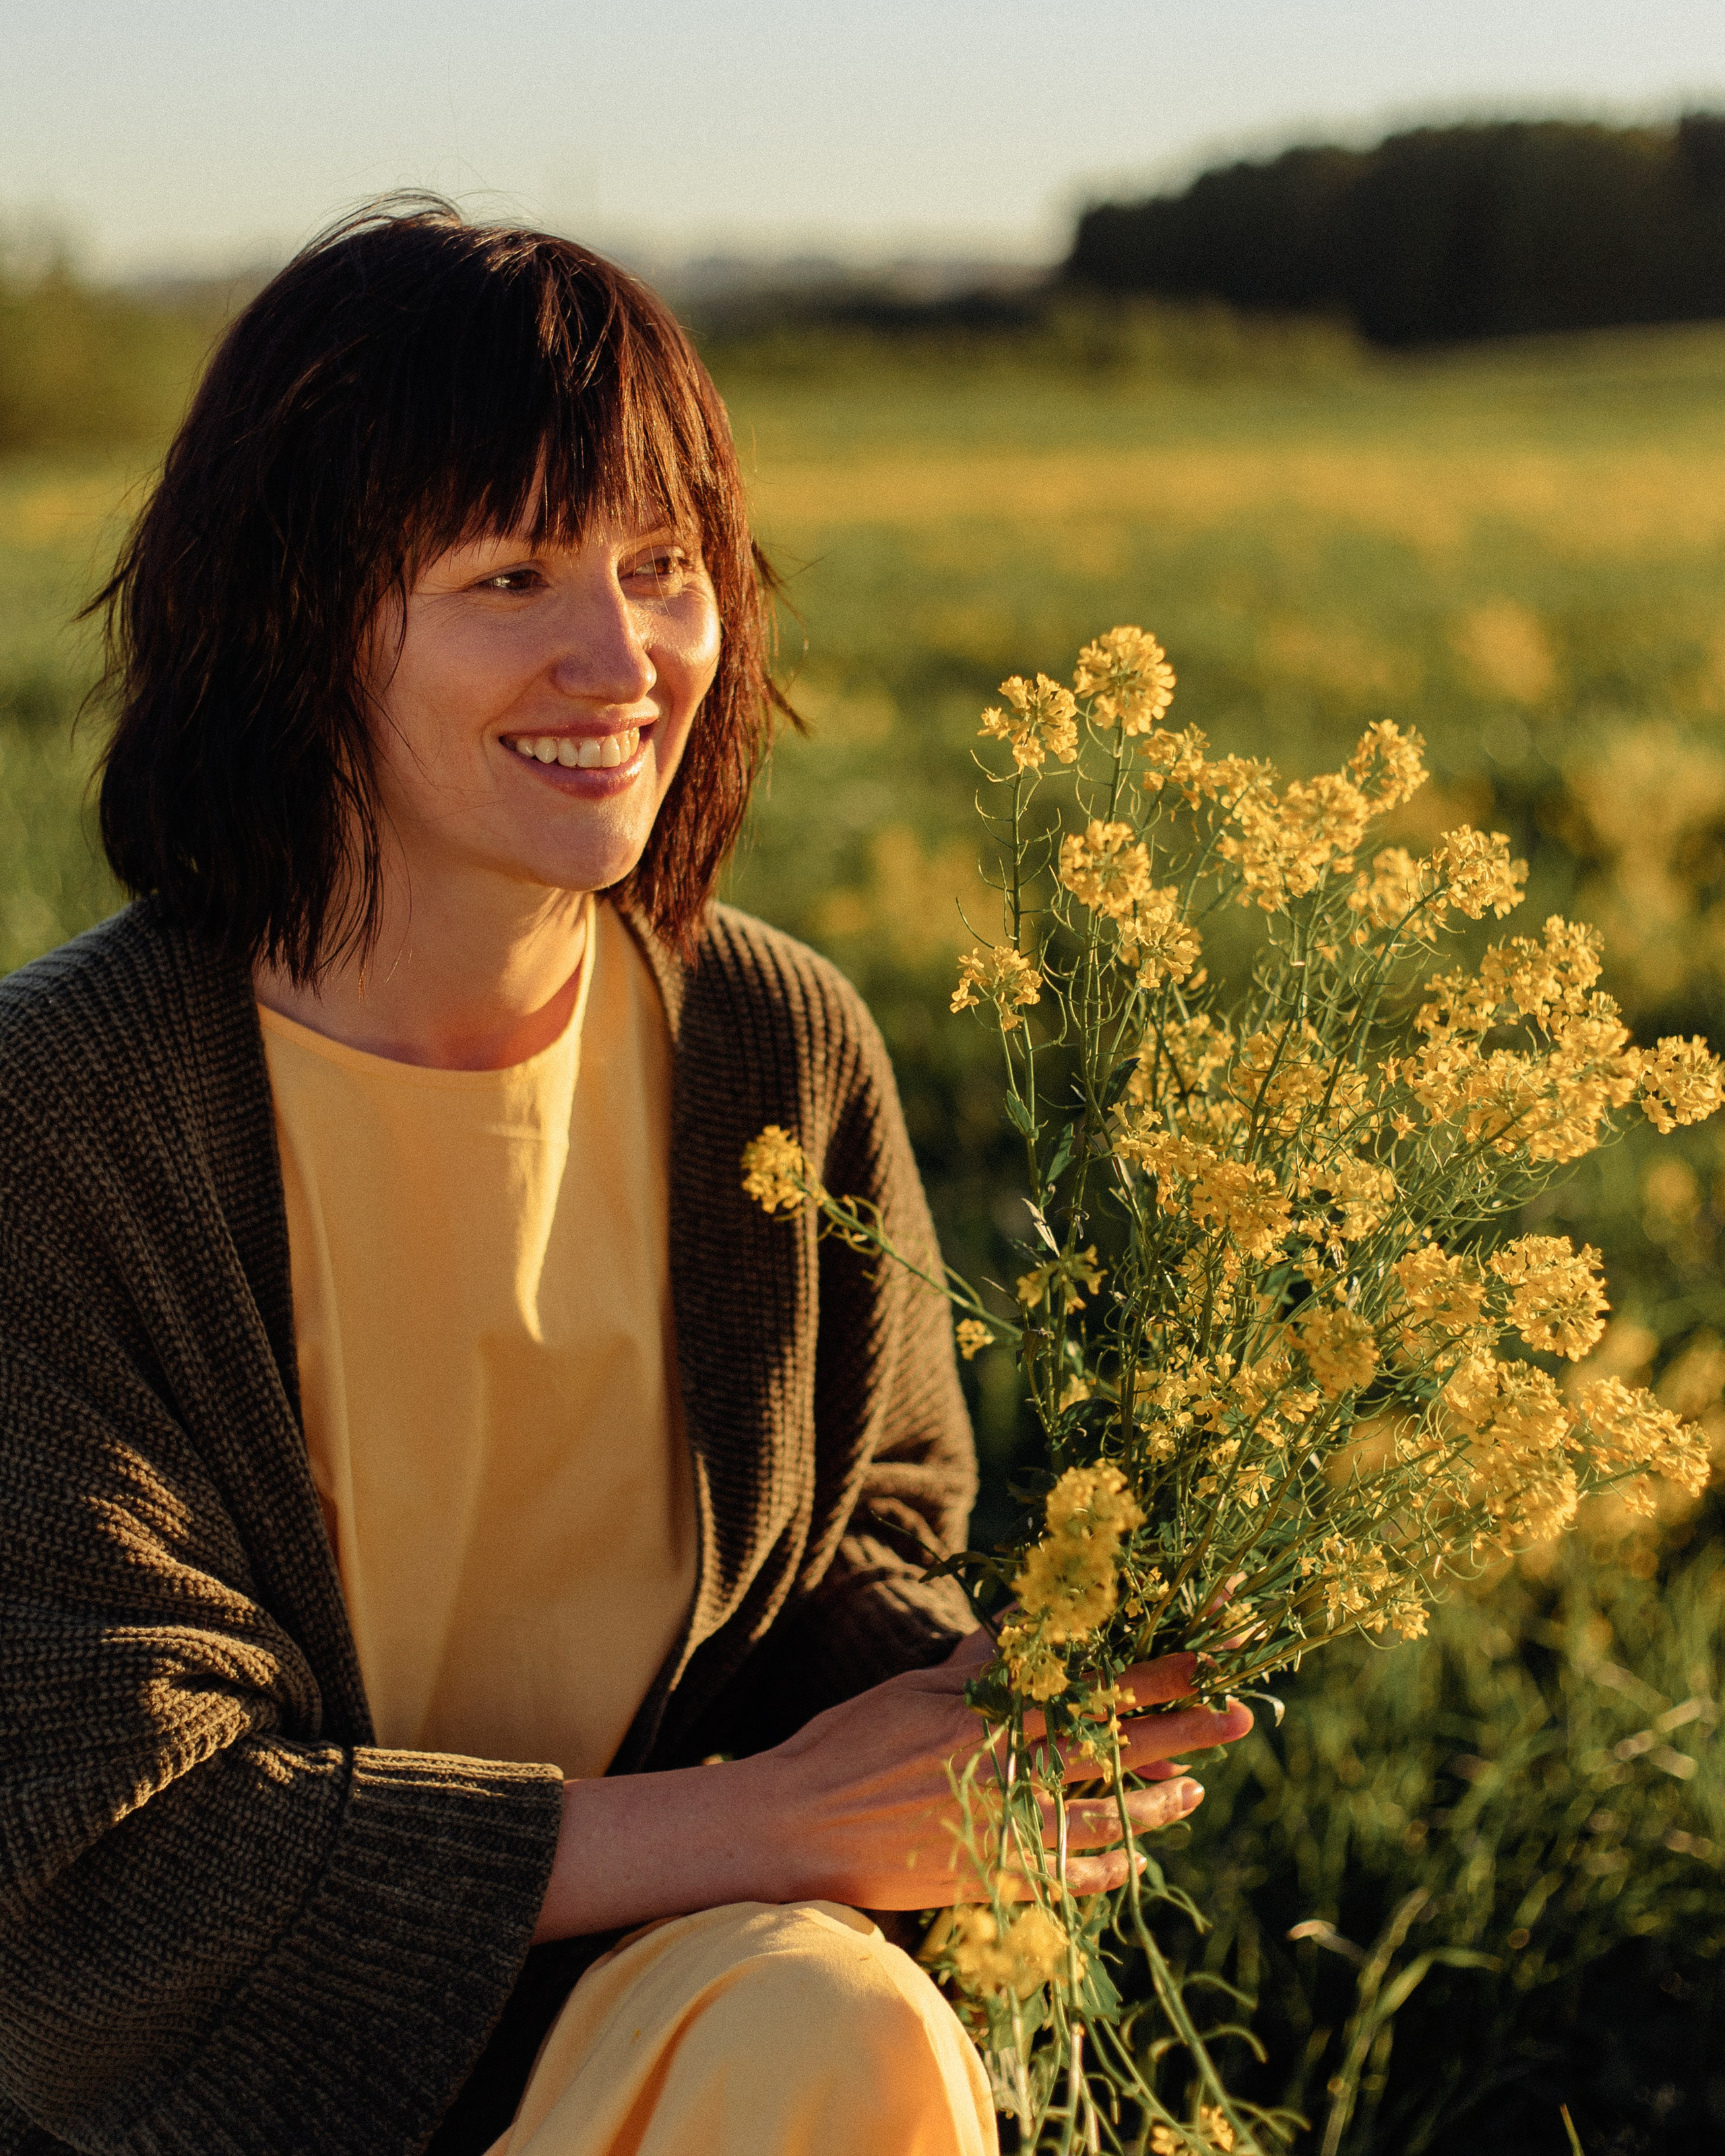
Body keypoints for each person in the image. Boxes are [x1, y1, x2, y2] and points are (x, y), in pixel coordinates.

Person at [0, 201, 1251, 2156]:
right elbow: (108, 1851)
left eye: (665, 567)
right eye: (510, 576)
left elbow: (851, 1542)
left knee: (830, 2028)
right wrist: (774, 1823)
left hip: (664, 2003)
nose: (624, 657)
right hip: (208, 2098)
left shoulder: (776, 1042)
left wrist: (984, 1710)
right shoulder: (58, 1120)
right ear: (294, 618)